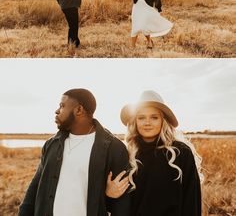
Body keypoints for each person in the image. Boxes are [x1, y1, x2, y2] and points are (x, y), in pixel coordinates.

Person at [18, 88, 130, 216]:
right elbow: (35, 188)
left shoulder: (114, 148)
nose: (56, 111)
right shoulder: (52, 144)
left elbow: (121, 204)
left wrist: (108, 195)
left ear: (79, 110)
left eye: (62, 106)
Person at [106, 90, 202, 216]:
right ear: (135, 121)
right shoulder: (127, 154)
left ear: (163, 120)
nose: (147, 123)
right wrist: (108, 194)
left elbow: (192, 201)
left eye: (154, 117)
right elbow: (119, 206)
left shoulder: (181, 152)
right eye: (141, 118)